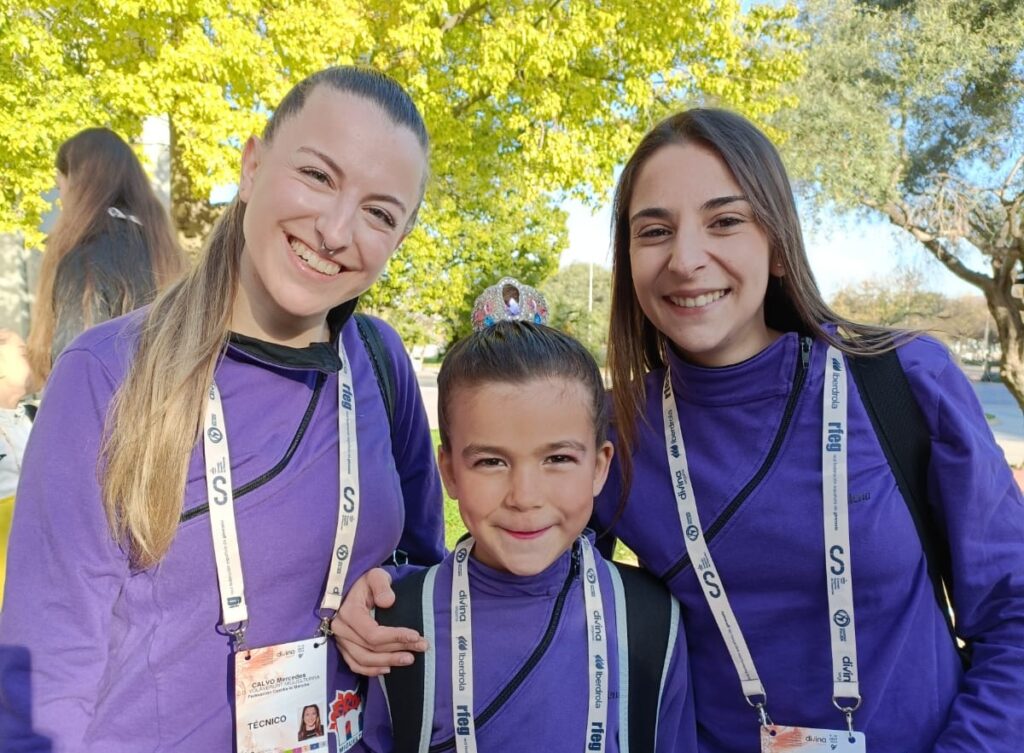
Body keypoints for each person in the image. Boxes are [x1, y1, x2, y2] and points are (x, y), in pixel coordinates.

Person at [334, 108, 1024, 753]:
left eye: (724, 221)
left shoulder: (902, 380)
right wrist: (392, 596)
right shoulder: (615, 429)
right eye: (655, 230)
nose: (686, 258)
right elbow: (525, 570)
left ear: (778, 245)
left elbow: (1013, 613)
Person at [0, 66, 444, 753]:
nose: (334, 229)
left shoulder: (381, 363)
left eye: (380, 212)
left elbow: (428, 568)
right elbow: (45, 676)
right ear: (252, 164)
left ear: (400, 238)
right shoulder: (106, 373)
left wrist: (389, 588)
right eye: (318, 176)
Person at [360, 279, 696, 753]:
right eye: (491, 462)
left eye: (557, 459)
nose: (525, 496)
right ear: (450, 472)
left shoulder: (650, 619)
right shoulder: (396, 622)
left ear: (600, 466)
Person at [25, 127, 187, 388]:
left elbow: (77, 377)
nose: (61, 201)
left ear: (80, 186)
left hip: (107, 422)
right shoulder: (168, 256)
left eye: (60, 188)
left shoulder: (86, 259)